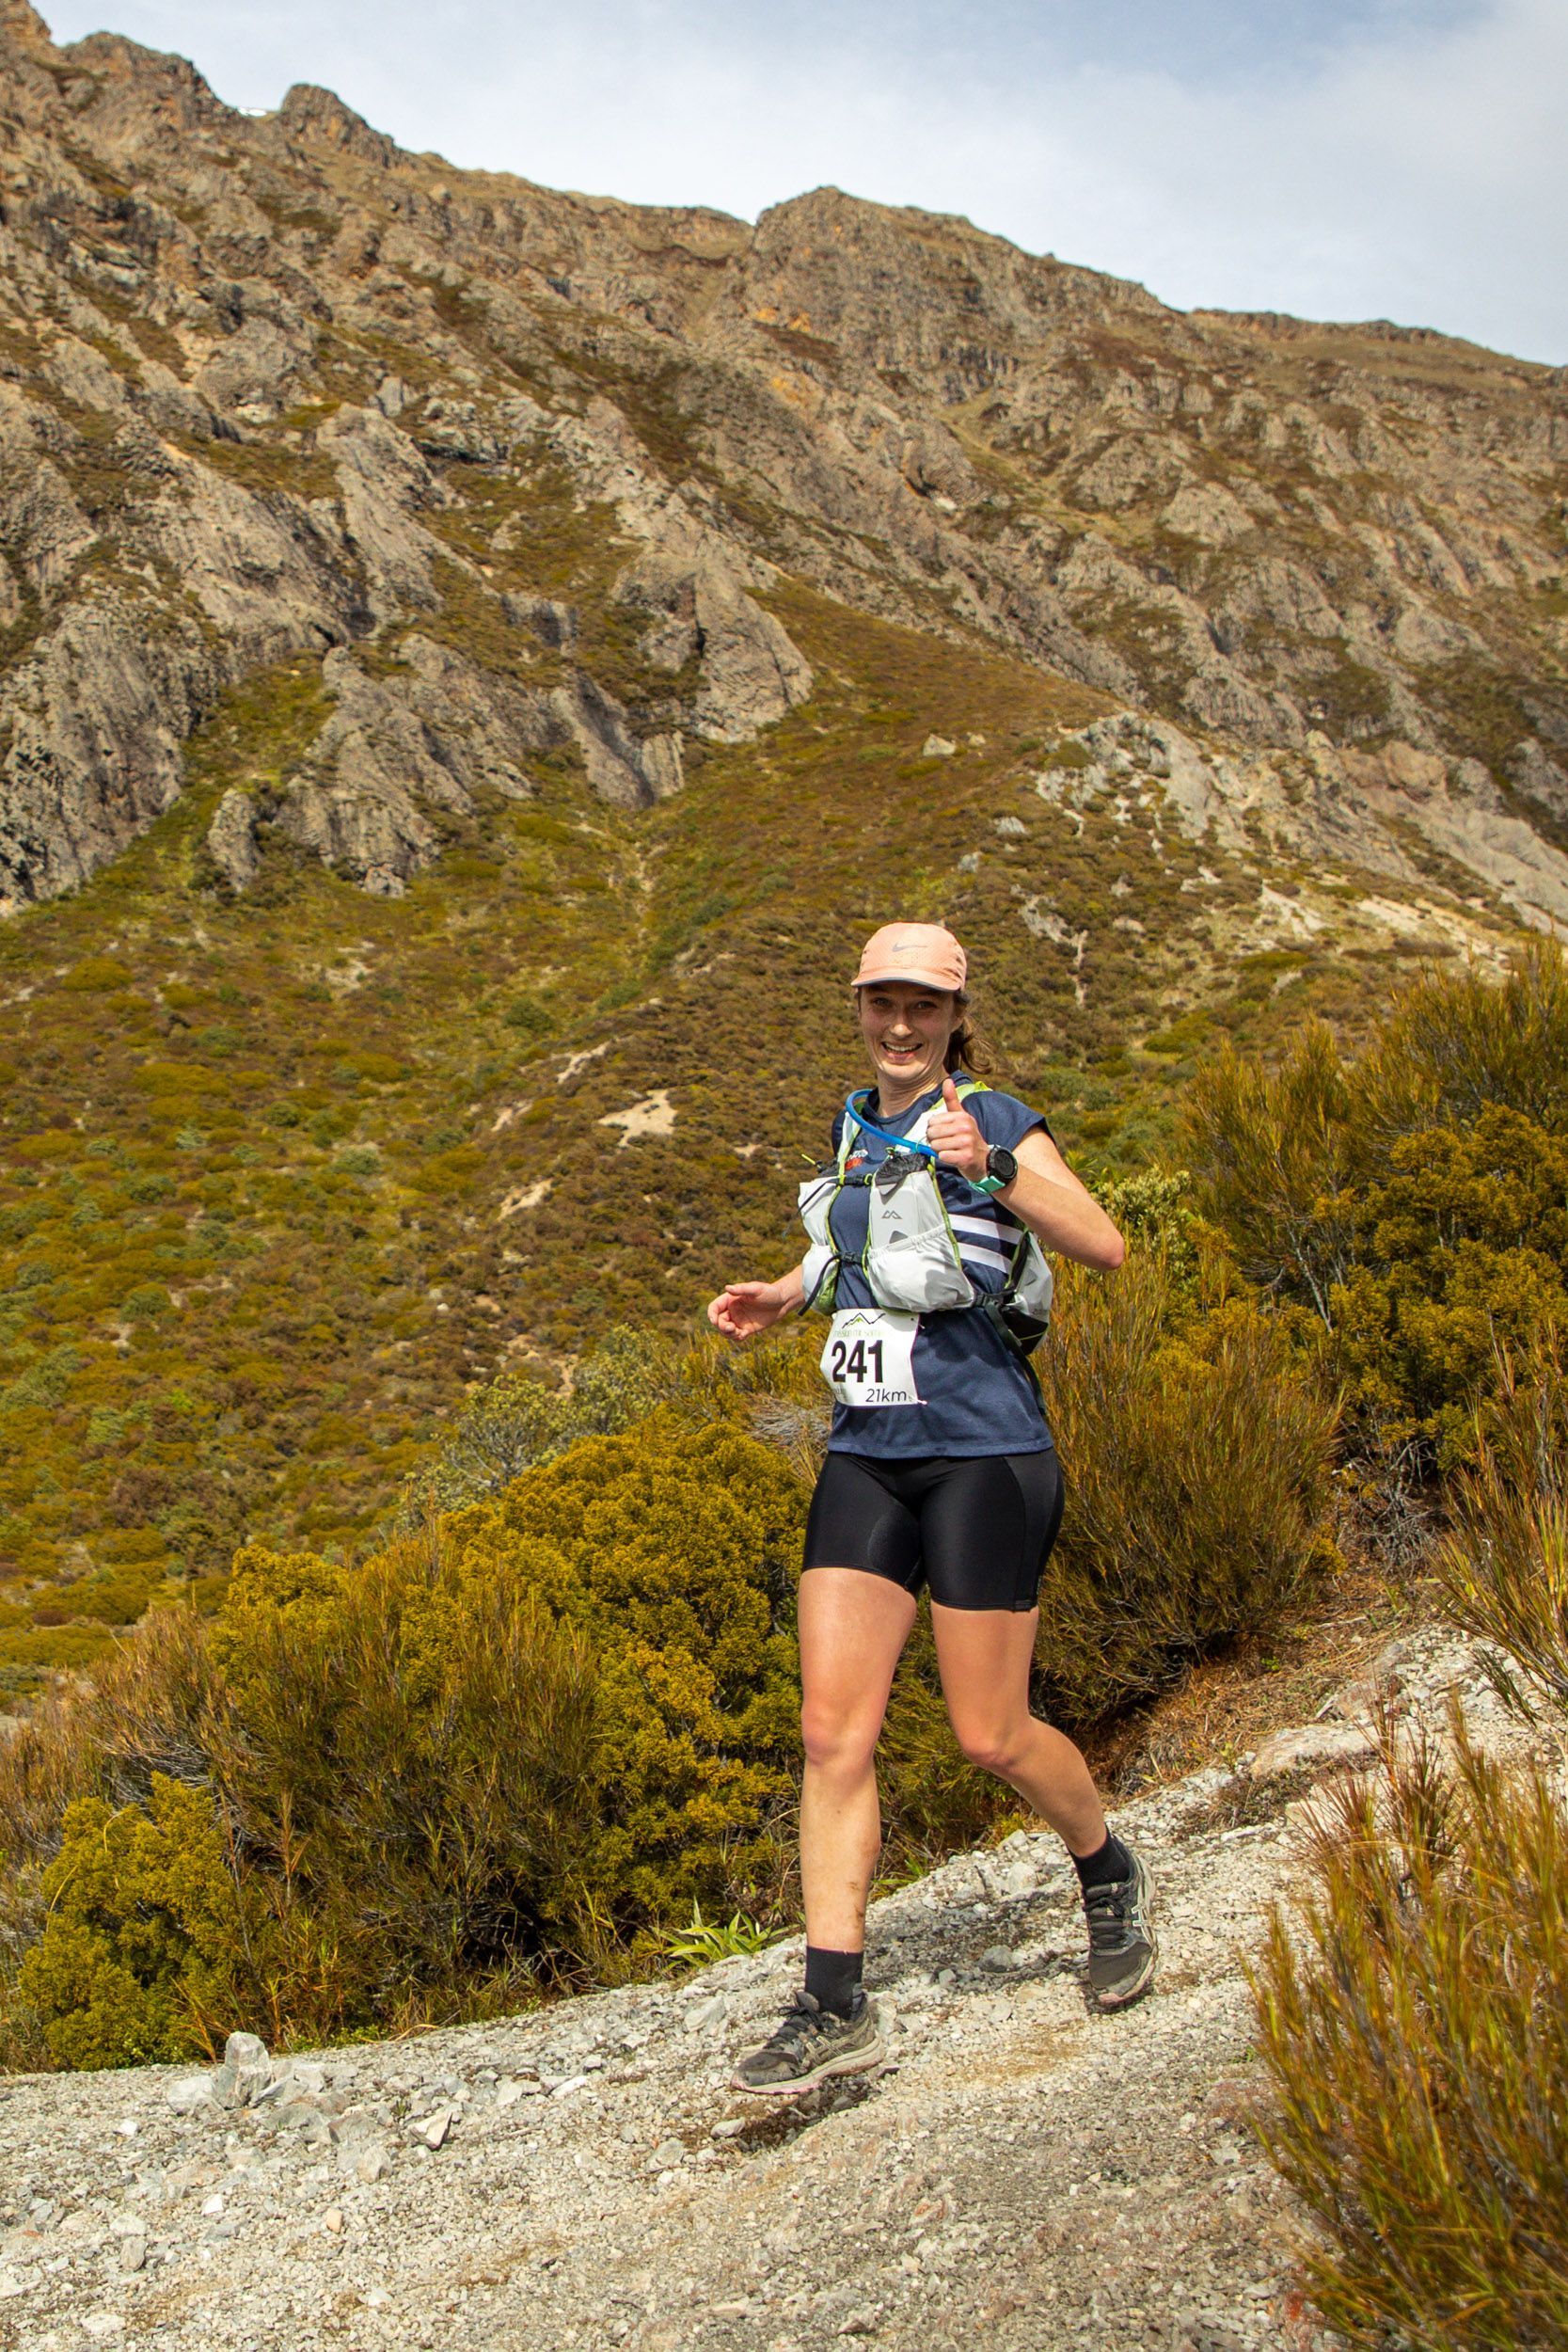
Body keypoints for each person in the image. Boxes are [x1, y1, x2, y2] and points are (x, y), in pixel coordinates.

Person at [707, 920, 1156, 2097]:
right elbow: (863, 1246)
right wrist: (783, 1292)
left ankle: (1104, 1867)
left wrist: (992, 1166)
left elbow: (1103, 1244)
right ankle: (832, 1999)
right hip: (868, 1450)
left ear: (956, 1016)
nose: (898, 1026)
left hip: (983, 1453)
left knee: (987, 1734)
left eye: (922, 1007)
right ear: (857, 1006)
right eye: (881, 1003)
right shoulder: (855, 1121)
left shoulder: (992, 1115)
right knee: (829, 1732)